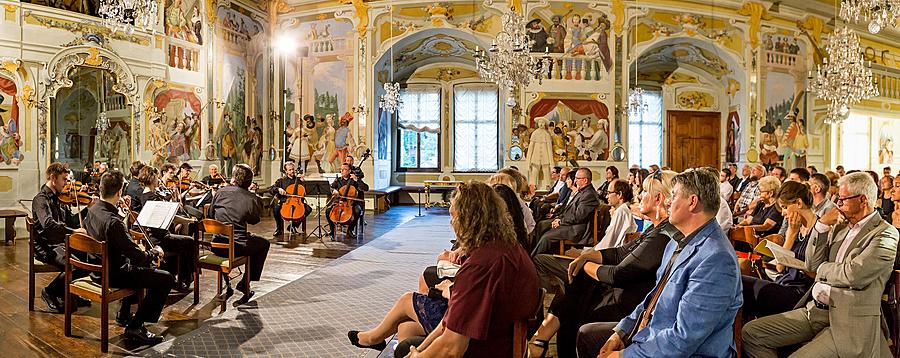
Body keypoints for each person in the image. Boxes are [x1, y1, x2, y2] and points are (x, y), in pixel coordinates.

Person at [355, 181, 540, 357]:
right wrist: (420, 350)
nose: (451, 222)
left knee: (405, 343)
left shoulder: (481, 265)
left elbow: (452, 347)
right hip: (502, 337)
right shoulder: (507, 247)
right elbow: (450, 322)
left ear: (471, 218)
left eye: (454, 215)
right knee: (405, 329)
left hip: (487, 348)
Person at [578, 168, 742, 357]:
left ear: (692, 202)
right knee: (587, 335)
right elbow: (654, 297)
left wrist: (625, 355)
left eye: (673, 195)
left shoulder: (716, 259)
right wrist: (620, 331)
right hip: (653, 333)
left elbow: (683, 339)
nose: (668, 202)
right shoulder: (676, 241)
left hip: (688, 352)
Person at [742, 172, 899, 357]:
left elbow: (854, 275)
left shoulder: (885, 234)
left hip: (848, 321)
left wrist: (821, 269)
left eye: (842, 200)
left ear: (863, 200)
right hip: (814, 310)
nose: (837, 205)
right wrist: (822, 225)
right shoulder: (839, 227)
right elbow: (811, 264)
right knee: (752, 334)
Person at [528, 171, 679, 358]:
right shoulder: (657, 229)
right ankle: (540, 340)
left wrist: (584, 263)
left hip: (630, 300)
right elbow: (620, 252)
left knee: (575, 294)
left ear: (658, 198)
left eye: (645, 191)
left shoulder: (663, 235)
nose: (639, 195)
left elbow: (618, 274)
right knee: (576, 289)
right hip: (621, 291)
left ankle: (539, 340)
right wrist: (589, 256)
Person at [83, 170, 174, 345]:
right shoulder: (113, 222)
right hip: (113, 275)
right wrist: (154, 251)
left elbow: (115, 240)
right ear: (119, 192)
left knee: (139, 266)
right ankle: (135, 326)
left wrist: (121, 213)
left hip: (97, 270)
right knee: (165, 278)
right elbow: (138, 256)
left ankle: (124, 313)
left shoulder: (93, 210)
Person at [741, 181, 815, 319]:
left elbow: (817, 273)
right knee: (737, 283)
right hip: (783, 283)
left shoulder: (819, 230)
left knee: (742, 286)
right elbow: (780, 267)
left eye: (785, 207)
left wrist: (792, 234)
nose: (783, 214)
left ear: (799, 203)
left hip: (800, 293)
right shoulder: (795, 228)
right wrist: (791, 235)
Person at [206, 164, 268, 305]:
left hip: (217, 245)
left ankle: (229, 283)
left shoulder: (221, 192)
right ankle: (245, 283)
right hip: (237, 247)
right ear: (249, 181)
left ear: (233, 177)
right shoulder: (250, 197)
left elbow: (210, 214)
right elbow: (254, 220)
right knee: (263, 244)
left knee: (250, 242)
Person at [32, 163, 90, 313]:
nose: (66, 184)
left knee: (92, 258)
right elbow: (48, 225)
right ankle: (50, 291)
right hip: (46, 248)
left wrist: (88, 209)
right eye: (64, 179)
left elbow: (71, 220)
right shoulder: (40, 200)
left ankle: (71, 294)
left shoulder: (59, 198)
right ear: (53, 177)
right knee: (76, 265)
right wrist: (74, 232)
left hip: (60, 243)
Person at [133, 166, 197, 292]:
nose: (158, 179)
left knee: (181, 241)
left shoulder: (143, 195)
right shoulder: (153, 198)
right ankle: (187, 277)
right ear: (152, 178)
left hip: (151, 236)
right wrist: (189, 220)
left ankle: (175, 274)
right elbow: (171, 218)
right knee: (189, 241)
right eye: (156, 176)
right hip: (159, 238)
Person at [531, 168, 599, 256]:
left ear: (585, 180)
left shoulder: (589, 195)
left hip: (576, 230)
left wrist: (560, 221)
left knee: (546, 237)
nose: (575, 180)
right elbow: (568, 210)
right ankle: (537, 257)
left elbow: (578, 217)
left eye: (577, 178)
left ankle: (535, 261)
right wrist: (558, 218)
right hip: (571, 224)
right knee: (542, 228)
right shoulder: (583, 192)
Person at [326, 162, 369, 240]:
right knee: (328, 211)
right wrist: (334, 190)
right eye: (341, 169)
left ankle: (350, 230)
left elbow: (366, 188)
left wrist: (357, 180)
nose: (342, 171)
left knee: (357, 211)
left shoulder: (354, 180)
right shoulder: (338, 180)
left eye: (345, 169)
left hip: (352, 203)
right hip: (339, 203)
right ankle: (332, 231)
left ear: (349, 171)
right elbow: (330, 187)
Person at [269, 161, 311, 237]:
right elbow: (271, 189)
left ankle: (293, 226)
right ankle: (279, 229)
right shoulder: (281, 181)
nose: (292, 171)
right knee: (276, 209)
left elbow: (307, 191)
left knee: (308, 209)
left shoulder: (299, 180)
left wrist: (304, 182)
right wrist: (278, 189)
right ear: (286, 171)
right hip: (285, 202)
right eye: (290, 170)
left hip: (298, 202)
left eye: (293, 169)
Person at [736, 176, 784, 240]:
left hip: (763, 239)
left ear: (770, 193)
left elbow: (766, 226)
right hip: (749, 235)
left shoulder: (777, 207)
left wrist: (745, 228)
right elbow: (748, 221)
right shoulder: (761, 204)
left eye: (761, 191)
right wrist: (738, 226)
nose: (758, 194)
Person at [596, 179, 636, 249]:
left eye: (609, 193)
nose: (606, 196)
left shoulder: (621, 211)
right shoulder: (622, 210)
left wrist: (593, 251)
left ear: (619, 194)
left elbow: (609, 242)